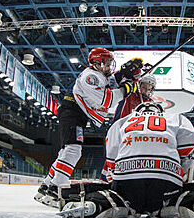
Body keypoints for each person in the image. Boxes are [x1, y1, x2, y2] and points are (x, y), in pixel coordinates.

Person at [58, 102, 194, 218]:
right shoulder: (176, 118)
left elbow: (111, 162)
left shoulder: (122, 122)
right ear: (159, 111)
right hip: (165, 183)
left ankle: (97, 204)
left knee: (122, 200)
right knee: (170, 200)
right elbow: (187, 158)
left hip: (127, 182)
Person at [35, 48, 144, 206]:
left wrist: (125, 73)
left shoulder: (99, 75)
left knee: (66, 152)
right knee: (73, 151)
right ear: (97, 63)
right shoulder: (90, 77)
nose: (109, 67)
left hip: (75, 113)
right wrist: (125, 89)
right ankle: (54, 191)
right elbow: (106, 100)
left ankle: (46, 187)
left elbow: (112, 81)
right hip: (72, 111)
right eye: (106, 63)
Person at [98, 73, 158, 183]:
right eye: (143, 87)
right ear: (139, 86)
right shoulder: (129, 94)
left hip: (135, 136)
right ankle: (105, 180)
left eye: (148, 89)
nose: (146, 91)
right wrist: (133, 76)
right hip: (119, 131)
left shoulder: (151, 104)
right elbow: (121, 84)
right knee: (112, 156)